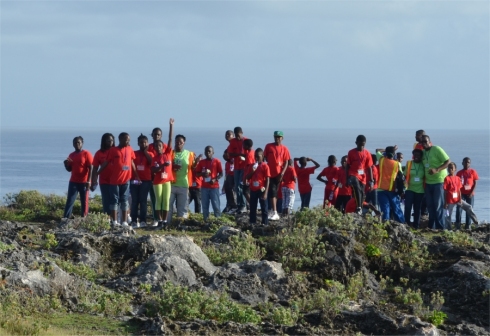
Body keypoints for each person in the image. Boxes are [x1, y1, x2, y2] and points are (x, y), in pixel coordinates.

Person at [99, 132, 140, 226]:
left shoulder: (130, 149)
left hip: (126, 180)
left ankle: (125, 222)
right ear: (120, 139)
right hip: (114, 181)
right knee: (114, 201)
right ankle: (114, 221)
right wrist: (98, 172)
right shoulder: (113, 150)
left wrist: (136, 175)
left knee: (125, 200)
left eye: (129, 139)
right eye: (126, 139)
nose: (127, 141)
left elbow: (132, 162)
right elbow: (106, 162)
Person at [421, 135, 450, 230]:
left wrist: (437, 169)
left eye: (426, 141)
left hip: (439, 181)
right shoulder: (423, 152)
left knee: (438, 205)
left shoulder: (437, 149)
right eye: (422, 142)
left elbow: (448, 161)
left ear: (429, 141)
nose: (424, 144)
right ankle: (432, 226)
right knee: (430, 205)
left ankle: (441, 227)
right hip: (428, 183)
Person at [167, 134, 197, 222]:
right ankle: (167, 223)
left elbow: (193, 167)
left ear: (184, 143)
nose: (178, 144)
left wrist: (197, 161)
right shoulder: (170, 153)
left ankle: (181, 224)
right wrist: (173, 166)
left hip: (184, 184)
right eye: (176, 142)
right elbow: (166, 166)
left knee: (182, 207)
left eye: (180, 142)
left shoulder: (189, 154)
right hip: (171, 184)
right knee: (168, 205)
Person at [63, 136, 93, 219]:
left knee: (84, 201)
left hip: (84, 182)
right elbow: (69, 169)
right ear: (73, 144)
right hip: (73, 181)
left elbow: (91, 167)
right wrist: (66, 165)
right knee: (70, 200)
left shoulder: (86, 154)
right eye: (75, 143)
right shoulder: (71, 155)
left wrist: (89, 181)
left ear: (82, 143)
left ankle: (84, 217)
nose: (77, 144)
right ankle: (66, 217)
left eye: (78, 142)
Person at [151, 119, 174, 227]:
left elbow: (170, 139)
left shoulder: (168, 153)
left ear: (162, 147)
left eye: (160, 146)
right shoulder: (154, 158)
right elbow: (153, 170)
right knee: (158, 200)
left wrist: (171, 126)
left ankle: (164, 221)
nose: (158, 148)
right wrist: (161, 166)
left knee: (166, 201)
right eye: (156, 147)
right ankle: (159, 220)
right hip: (158, 182)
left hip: (167, 181)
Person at [264, 131, 291, 221]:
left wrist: (282, 173)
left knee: (275, 193)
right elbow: (265, 157)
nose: (277, 138)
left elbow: (286, 161)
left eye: (279, 137)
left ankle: (274, 211)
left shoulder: (285, 148)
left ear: (282, 138)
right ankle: (274, 211)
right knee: (272, 191)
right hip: (270, 173)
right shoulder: (268, 146)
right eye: (276, 137)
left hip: (279, 174)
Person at [444, 162, 478, 230]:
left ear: (455, 169)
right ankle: (449, 228)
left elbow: (459, 190)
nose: (450, 169)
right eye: (449, 168)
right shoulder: (447, 178)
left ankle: (476, 222)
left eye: (451, 168)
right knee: (447, 214)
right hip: (449, 200)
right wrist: (445, 202)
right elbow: (445, 191)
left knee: (469, 207)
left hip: (457, 199)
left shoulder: (457, 178)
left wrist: (460, 199)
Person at [130, 133, 154, 228]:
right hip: (135, 180)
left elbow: (151, 162)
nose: (143, 144)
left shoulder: (150, 153)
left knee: (143, 201)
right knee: (135, 201)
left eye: (145, 142)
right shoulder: (134, 153)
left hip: (146, 180)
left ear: (147, 143)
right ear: (138, 143)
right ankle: (134, 220)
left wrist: (145, 152)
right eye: (141, 142)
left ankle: (143, 220)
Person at [346, 135, 373, 215]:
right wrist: (346, 178)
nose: (361, 146)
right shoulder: (351, 152)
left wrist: (371, 180)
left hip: (363, 177)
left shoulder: (367, 153)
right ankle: (359, 207)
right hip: (353, 174)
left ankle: (358, 209)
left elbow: (369, 167)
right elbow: (347, 166)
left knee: (361, 193)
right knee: (357, 188)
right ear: (356, 143)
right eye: (360, 144)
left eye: (363, 144)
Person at [377, 146, 405, 223]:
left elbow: (377, 150)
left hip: (381, 189)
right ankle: (402, 224)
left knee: (385, 209)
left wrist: (385, 150)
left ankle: (386, 225)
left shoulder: (381, 160)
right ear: (394, 154)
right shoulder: (397, 164)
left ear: (385, 153)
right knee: (396, 208)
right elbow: (401, 177)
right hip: (392, 189)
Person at [196, 146, 223, 221]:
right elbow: (197, 174)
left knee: (216, 205)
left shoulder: (217, 161)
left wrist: (215, 179)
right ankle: (206, 221)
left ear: (213, 152)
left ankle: (218, 221)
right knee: (205, 206)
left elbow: (221, 174)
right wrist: (202, 173)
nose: (208, 153)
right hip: (204, 187)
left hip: (214, 187)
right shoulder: (201, 162)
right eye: (206, 151)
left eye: (209, 151)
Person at [91, 133, 114, 215]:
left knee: (115, 200)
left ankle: (116, 218)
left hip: (115, 180)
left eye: (112, 140)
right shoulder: (99, 153)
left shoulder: (116, 151)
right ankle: (107, 217)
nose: (110, 142)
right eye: (108, 140)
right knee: (106, 200)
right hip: (104, 180)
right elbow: (95, 168)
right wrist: (94, 179)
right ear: (104, 141)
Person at [245, 148, 270, 225]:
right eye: (255, 156)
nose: (256, 158)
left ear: (262, 156)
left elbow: (268, 179)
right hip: (253, 189)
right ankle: (252, 223)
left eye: (258, 157)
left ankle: (265, 223)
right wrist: (253, 171)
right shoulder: (252, 166)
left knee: (264, 207)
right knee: (252, 207)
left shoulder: (265, 166)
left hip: (261, 189)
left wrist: (265, 192)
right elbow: (247, 177)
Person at [148, 127, 167, 223]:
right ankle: (156, 219)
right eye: (155, 134)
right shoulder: (149, 147)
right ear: (152, 135)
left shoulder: (164, 146)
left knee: (164, 199)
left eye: (158, 134)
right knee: (155, 199)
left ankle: (164, 220)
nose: (156, 136)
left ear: (161, 135)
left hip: (164, 178)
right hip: (152, 177)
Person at [227, 127, 247, 213]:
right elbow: (230, 153)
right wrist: (238, 154)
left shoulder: (246, 140)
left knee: (241, 186)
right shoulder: (233, 141)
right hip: (236, 167)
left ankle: (243, 205)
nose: (238, 137)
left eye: (239, 135)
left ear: (242, 133)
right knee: (236, 187)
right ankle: (239, 205)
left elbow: (249, 153)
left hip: (244, 167)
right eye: (236, 135)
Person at [404, 149, 425, 229]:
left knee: (417, 208)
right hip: (409, 189)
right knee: (408, 207)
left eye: (418, 155)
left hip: (420, 190)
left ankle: (416, 226)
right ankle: (407, 224)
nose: (416, 157)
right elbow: (405, 176)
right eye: (415, 155)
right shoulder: (409, 163)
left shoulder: (423, 164)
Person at [456, 157, 479, 229]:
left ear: (470, 164)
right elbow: (456, 184)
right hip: (461, 194)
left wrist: (472, 192)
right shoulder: (459, 173)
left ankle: (468, 225)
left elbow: (475, 183)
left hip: (470, 194)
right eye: (465, 162)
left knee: (469, 209)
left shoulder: (473, 172)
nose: (466, 163)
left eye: (468, 162)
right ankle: (458, 225)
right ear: (462, 163)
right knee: (459, 209)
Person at [221, 150, 236, 214]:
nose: (225, 157)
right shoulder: (227, 163)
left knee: (233, 193)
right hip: (229, 179)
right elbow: (226, 174)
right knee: (227, 189)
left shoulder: (234, 161)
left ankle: (235, 206)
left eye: (226, 155)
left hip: (234, 178)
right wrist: (224, 185)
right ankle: (229, 205)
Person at [242, 139, 255, 207]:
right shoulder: (252, 152)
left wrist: (246, 177)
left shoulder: (249, 155)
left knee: (246, 191)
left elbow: (250, 167)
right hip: (251, 176)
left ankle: (252, 205)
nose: (243, 146)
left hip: (249, 177)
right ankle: (252, 205)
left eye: (244, 145)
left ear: (247, 146)